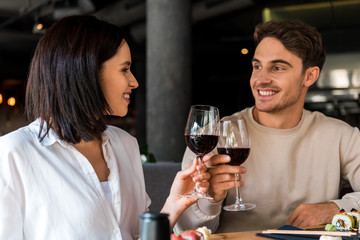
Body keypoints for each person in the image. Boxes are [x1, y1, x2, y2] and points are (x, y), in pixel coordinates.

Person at [0, 15, 210, 239]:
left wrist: (173, 205)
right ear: (87, 73)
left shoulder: (126, 145)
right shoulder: (13, 153)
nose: (134, 82)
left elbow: (138, 235)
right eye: (124, 69)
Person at [174, 20, 360, 233]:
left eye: (277, 68)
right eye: (257, 66)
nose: (261, 79)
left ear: (310, 76)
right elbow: (184, 232)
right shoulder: (214, 137)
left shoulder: (340, 136)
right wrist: (212, 200)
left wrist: (335, 208)